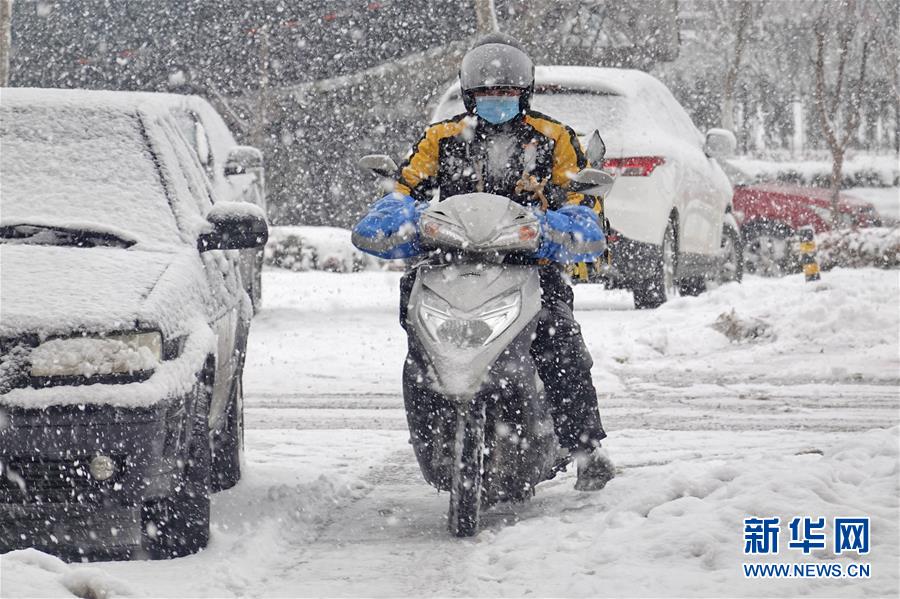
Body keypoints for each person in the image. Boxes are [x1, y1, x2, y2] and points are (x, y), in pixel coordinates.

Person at [354, 33, 614, 491]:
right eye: (487, 93)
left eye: (507, 93)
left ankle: (586, 447)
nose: (497, 100)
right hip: (447, 262)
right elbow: (405, 189)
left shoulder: (554, 138)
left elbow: (581, 204)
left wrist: (556, 228)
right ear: (471, 96)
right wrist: (395, 217)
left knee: (560, 341)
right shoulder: (442, 137)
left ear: (524, 94)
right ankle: (433, 424)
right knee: (417, 337)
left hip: (527, 265)